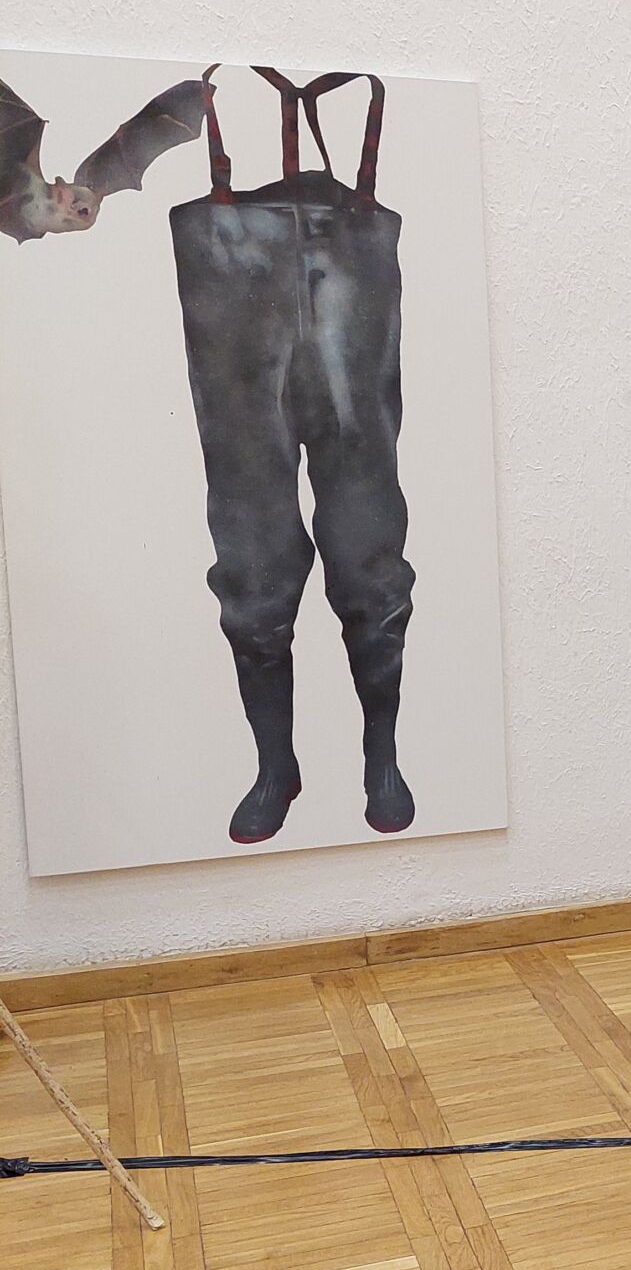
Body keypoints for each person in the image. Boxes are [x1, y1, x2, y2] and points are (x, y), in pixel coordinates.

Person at [170, 68, 415, 845]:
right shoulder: (218, 96)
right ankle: (276, 766)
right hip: (242, 393)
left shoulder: (366, 104)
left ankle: (381, 757)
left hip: (355, 400)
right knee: (253, 575)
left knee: (372, 568)